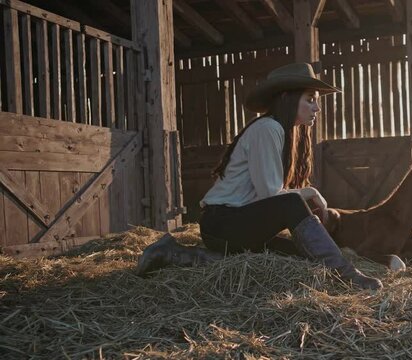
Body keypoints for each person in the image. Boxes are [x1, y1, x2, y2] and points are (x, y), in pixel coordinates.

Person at [136, 63, 382, 290]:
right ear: (287, 98)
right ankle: (346, 275)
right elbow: (272, 196)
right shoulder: (268, 128)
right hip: (223, 222)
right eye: (310, 100)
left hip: (235, 225)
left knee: (299, 254)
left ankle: (173, 253)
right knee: (292, 203)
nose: (317, 107)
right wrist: (310, 192)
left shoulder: (280, 131)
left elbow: (267, 200)